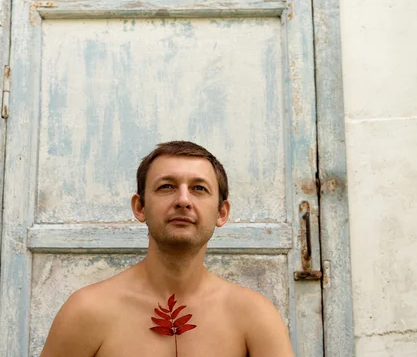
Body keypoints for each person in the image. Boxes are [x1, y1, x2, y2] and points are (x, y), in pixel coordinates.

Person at [41, 141, 295, 357]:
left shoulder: (255, 316)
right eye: (166, 187)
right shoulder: (87, 310)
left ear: (222, 212)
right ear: (140, 207)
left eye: (199, 188)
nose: (183, 200)